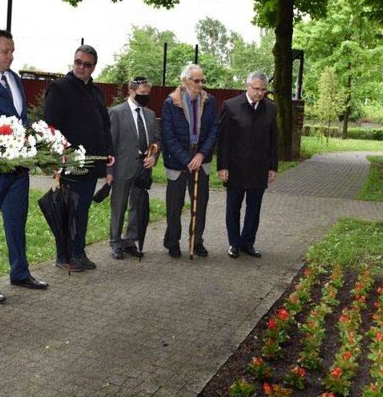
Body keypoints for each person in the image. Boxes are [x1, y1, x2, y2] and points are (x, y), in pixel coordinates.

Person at [0, 29, 48, 304]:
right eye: (5, 51)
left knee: (17, 222)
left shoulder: (14, 78)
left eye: (12, 51)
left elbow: (21, 117)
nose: (10, 56)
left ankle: (20, 272)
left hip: (19, 167)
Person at [44, 44, 114, 272]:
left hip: (92, 163)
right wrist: (56, 160)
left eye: (87, 64)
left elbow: (105, 124)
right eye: (78, 62)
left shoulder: (95, 91)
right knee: (68, 211)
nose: (81, 67)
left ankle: (78, 252)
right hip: (70, 163)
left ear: (94, 67)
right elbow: (50, 128)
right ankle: (63, 257)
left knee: (82, 209)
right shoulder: (59, 88)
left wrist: (108, 152)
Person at [217, 72, 278, 258]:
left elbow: (273, 139)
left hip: (259, 168)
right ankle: (234, 243)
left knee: (254, 208)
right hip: (235, 168)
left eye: (263, 90)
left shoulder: (270, 108)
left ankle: (248, 243)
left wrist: (273, 166)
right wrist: (222, 166)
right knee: (233, 207)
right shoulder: (231, 106)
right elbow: (224, 139)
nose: (260, 93)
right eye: (256, 89)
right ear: (247, 86)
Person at [161, 63, 219, 258]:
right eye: (197, 80)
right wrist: (187, 159)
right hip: (178, 162)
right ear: (185, 81)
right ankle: (172, 242)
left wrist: (201, 155)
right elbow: (168, 136)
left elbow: (213, 130)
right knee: (174, 205)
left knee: (200, 204)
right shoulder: (171, 102)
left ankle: (197, 241)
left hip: (201, 159)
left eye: (202, 80)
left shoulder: (209, 101)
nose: (200, 84)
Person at [108, 77, 160, 259]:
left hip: (143, 167)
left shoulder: (150, 114)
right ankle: (115, 243)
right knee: (119, 206)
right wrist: (109, 172)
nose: (145, 96)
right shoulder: (116, 112)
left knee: (137, 206)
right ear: (131, 92)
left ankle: (130, 241)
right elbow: (110, 144)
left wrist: (153, 157)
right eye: (142, 93)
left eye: (147, 93)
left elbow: (156, 141)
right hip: (122, 167)